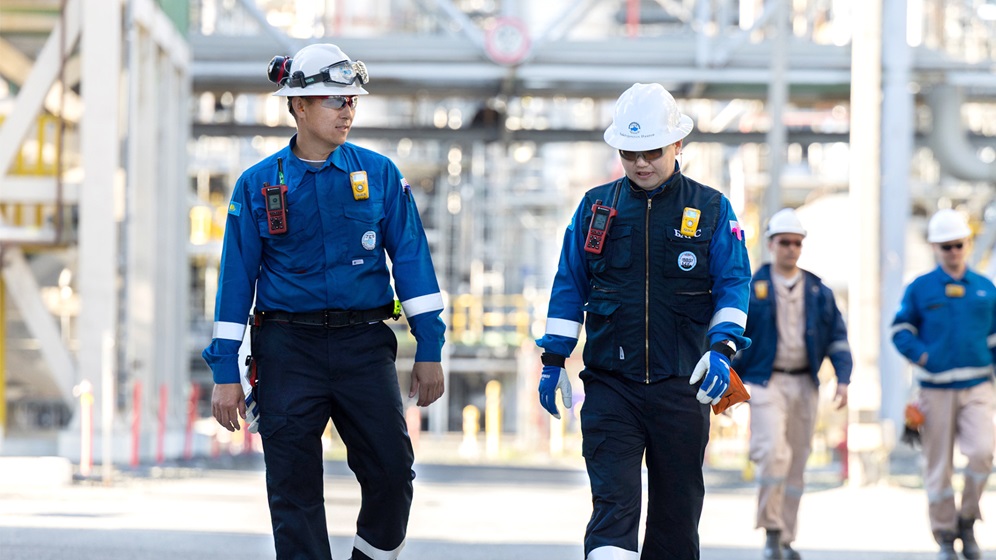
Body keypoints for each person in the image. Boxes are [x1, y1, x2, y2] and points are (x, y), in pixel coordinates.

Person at [202, 43, 445, 560]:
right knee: (293, 488)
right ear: (299, 106)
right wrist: (225, 372)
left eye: (352, 101)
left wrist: (430, 348)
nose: (347, 111)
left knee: (392, 474)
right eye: (335, 101)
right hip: (287, 348)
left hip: (365, 346)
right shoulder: (257, 185)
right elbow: (234, 285)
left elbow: (414, 267)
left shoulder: (380, 176)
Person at [536, 82, 752, 560]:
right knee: (613, 509)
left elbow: (734, 284)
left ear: (678, 145)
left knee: (676, 521)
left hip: (683, 386)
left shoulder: (712, 209)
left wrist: (722, 349)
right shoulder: (596, 208)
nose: (640, 162)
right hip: (613, 387)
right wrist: (553, 359)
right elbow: (569, 284)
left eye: (652, 150)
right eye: (629, 152)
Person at [730, 208, 852, 560]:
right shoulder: (751, 289)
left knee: (797, 460)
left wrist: (843, 379)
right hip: (765, 383)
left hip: (804, 383)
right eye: (785, 242)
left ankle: (785, 535)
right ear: (771, 244)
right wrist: (724, 389)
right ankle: (770, 530)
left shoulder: (818, 290)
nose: (791, 248)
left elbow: (837, 338)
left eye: (797, 242)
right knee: (772, 455)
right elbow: (733, 339)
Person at [891, 208, 995, 560]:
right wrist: (922, 356)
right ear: (935, 247)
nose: (953, 252)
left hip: (978, 385)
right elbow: (900, 330)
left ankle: (967, 518)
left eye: (958, 244)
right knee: (938, 467)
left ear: (967, 243)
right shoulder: (920, 289)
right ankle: (946, 536)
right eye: (946, 246)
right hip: (934, 389)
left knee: (982, 453)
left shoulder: (985, 289)